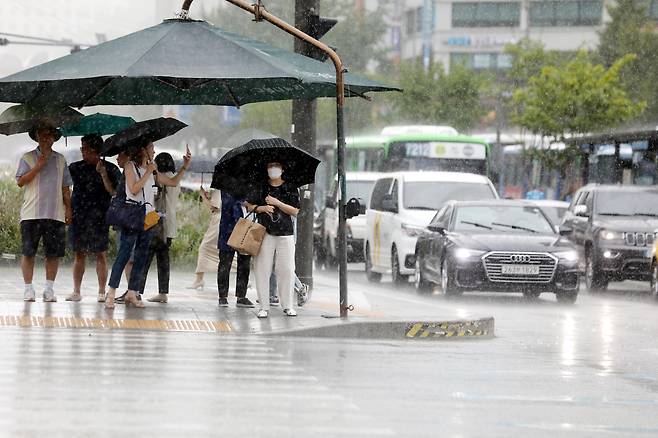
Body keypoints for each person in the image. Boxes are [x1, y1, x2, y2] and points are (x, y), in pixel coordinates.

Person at [105, 141, 191, 309]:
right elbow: (134, 189)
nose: (154, 151)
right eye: (151, 148)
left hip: (148, 218)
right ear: (143, 150)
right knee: (124, 255)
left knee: (141, 257)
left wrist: (185, 167)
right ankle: (111, 292)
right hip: (132, 216)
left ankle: (133, 292)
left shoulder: (153, 169)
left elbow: (172, 182)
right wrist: (148, 173)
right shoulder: (130, 166)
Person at [16, 119, 73, 303]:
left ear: (54, 138)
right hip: (31, 213)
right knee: (28, 253)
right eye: (42, 134)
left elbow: (66, 187)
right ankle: (28, 289)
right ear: (37, 137)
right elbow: (20, 181)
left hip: (55, 213)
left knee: (53, 254)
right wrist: (38, 166)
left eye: (49, 134)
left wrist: (69, 209)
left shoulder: (61, 159)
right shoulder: (27, 157)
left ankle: (49, 289)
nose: (45, 137)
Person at [67, 134, 121, 302]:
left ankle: (101, 291)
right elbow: (64, 188)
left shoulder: (110, 169)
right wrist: (67, 209)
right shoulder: (75, 167)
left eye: (86, 149)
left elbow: (114, 193)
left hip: (100, 217)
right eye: (82, 149)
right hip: (79, 216)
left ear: (96, 151)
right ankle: (76, 291)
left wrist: (103, 174)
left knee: (101, 254)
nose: (83, 152)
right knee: (79, 254)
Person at [246, 161, 300, 318]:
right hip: (265, 232)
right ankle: (263, 306)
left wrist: (277, 203)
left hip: (286, 234)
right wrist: (262, 208)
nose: (273, 169)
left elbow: (295, 211)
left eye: (276, 165)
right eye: (270, 166)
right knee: (262, 269)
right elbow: (248, 205)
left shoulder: (290, 187)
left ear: (283, 168)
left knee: (287, 269)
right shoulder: (261, 186)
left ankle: (288, 305)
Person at [142, 152, 182, 304]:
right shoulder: (175, 177)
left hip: (159, 225)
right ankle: (163, 293)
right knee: (163, 260)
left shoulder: (163, 179)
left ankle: (138, 290)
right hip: (170, 226)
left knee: (145, 258)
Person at [217, 191, 254, 308]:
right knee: (225, 263)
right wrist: (244, 201)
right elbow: (228, 202)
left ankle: (241, 296)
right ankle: (223, 296)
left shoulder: (250, 182)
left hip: (246, 225)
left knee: (245, 262)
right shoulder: (226, 182)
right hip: (228, 226)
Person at [188, 187, 222, 290]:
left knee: (204, 247)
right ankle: (244, 278)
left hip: (218, 222)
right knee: (224, 250)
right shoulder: (223, 189)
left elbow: (213, 207)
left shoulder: (219, 190)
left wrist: (203, 196)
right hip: (220, 221)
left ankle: (199, 279)